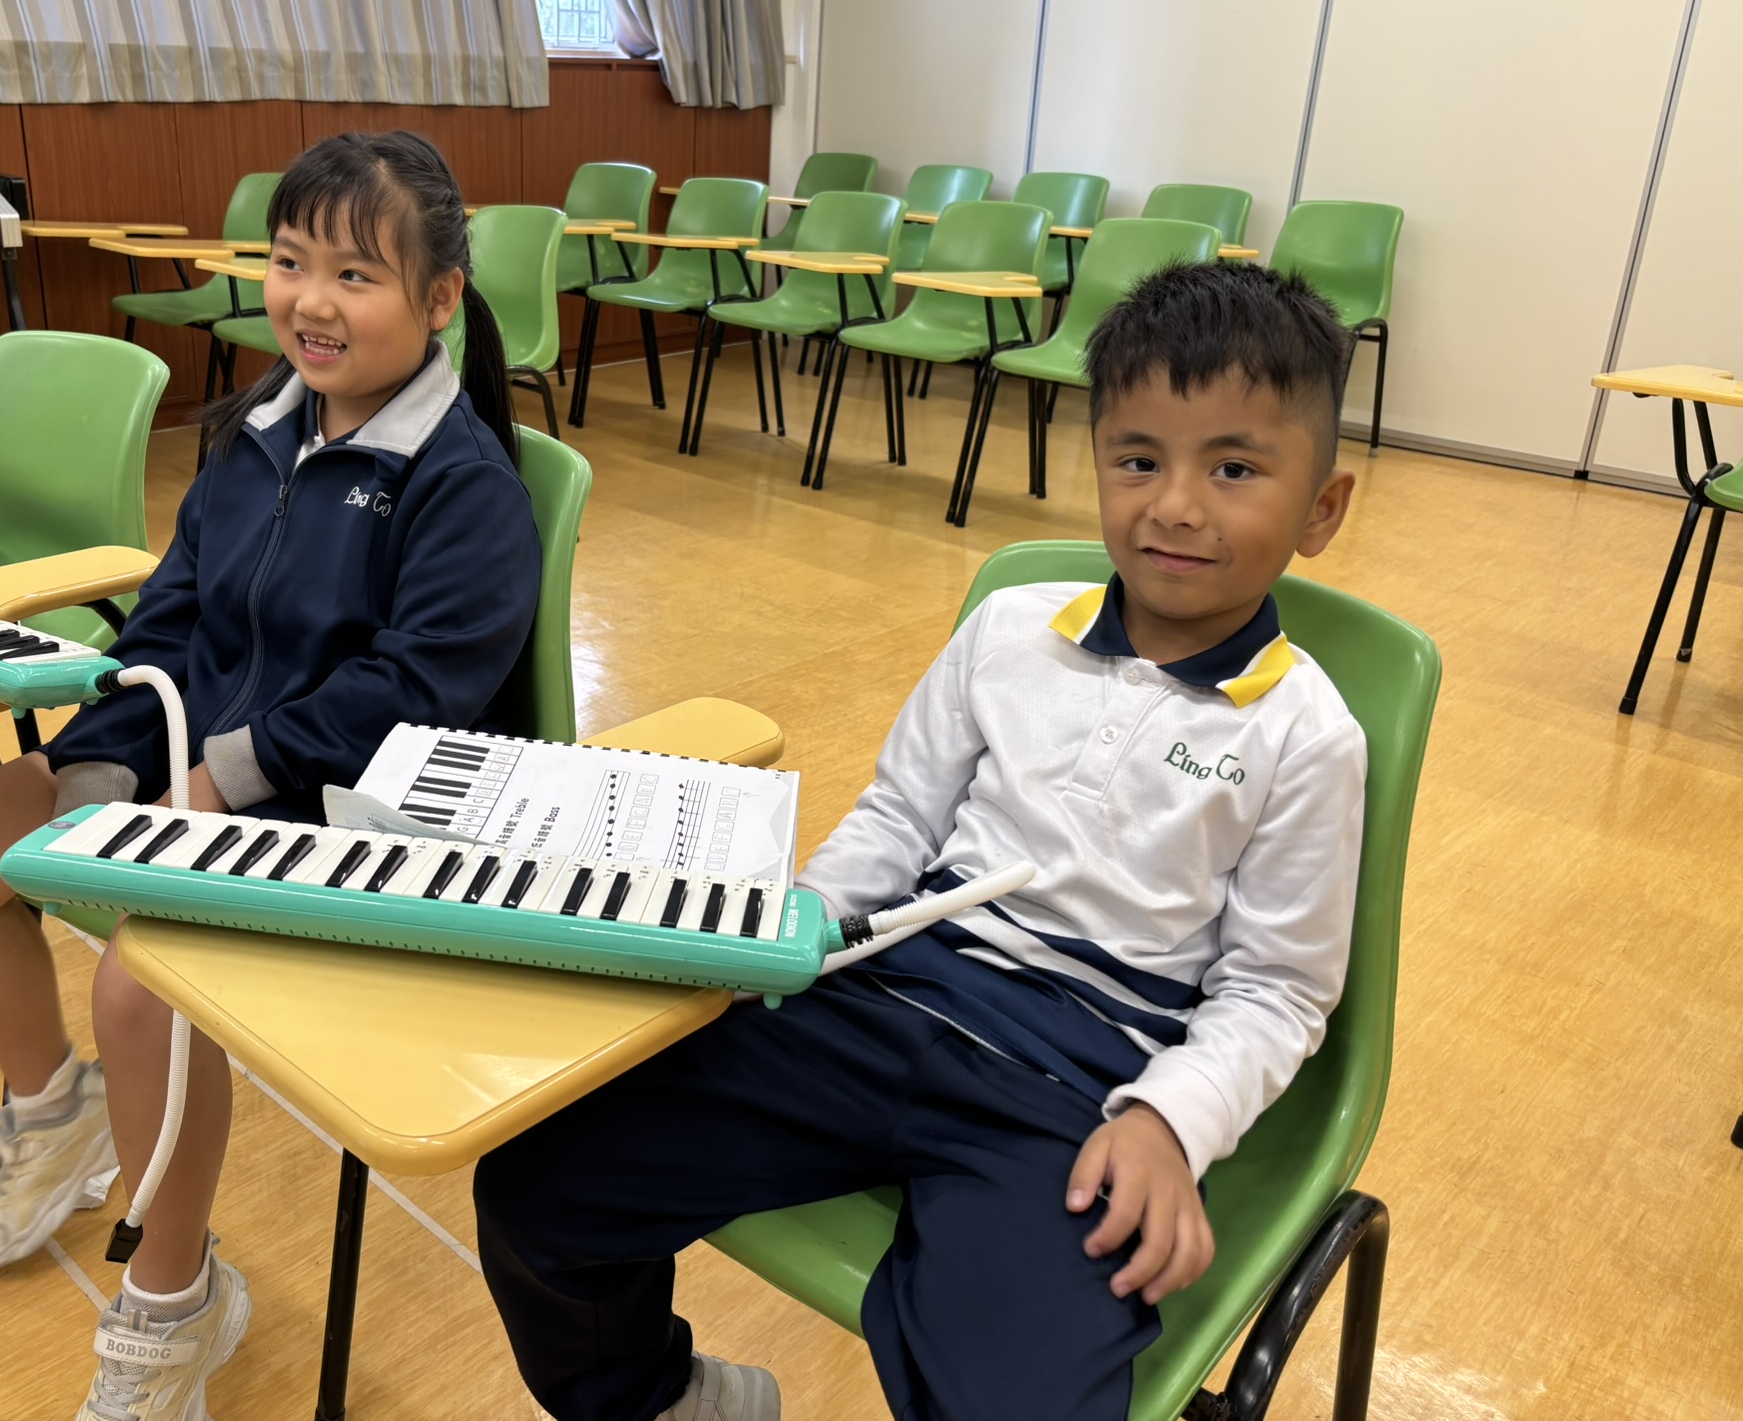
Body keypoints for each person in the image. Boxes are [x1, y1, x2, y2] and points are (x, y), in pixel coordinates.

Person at [471, 262, 1368, 1421]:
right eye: (1138, 460)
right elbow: (897, 821)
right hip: (877, 998)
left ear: (1319, 508)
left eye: (1233, 469)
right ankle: (658, 1400)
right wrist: (795, 923)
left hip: (1074, 1093)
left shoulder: (1306, 734)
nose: (1175, 507)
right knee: (538, 1184)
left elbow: (1277, 991)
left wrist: (1169, 1120)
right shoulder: (1008, 631)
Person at [0, 131, 542, 1417]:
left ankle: (175, 1304)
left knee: (142, 994)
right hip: (193, 772)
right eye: (290, 263)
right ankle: (52, 1112)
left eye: (355, 275)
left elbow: (409, 696)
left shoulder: (465, 487)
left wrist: (217, 782)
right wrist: (102, 766)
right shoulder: (250, 432)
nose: (310, 301)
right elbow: (171, 621)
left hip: (344, 815)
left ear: (439, 298)